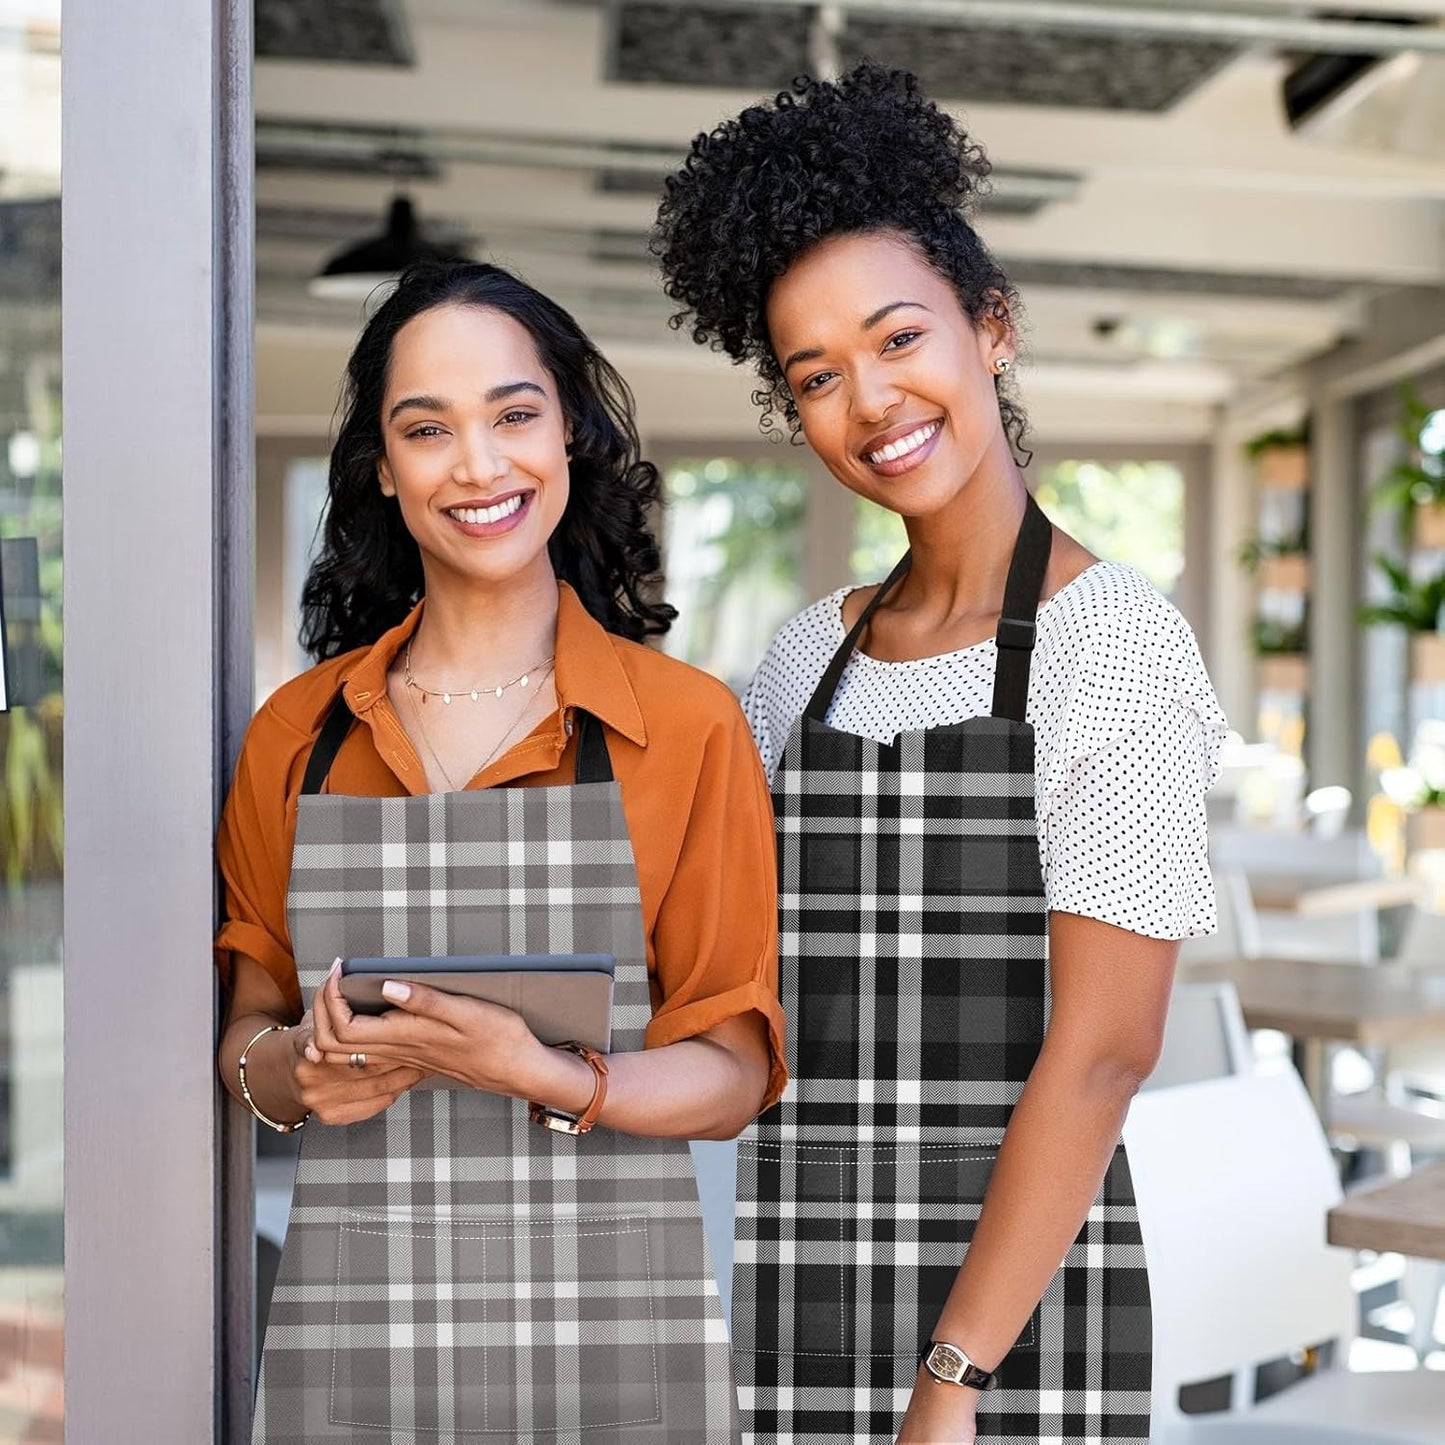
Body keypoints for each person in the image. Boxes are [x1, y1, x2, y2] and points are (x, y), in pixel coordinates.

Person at [654, 63, 1228, 1445]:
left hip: (1014, 1318)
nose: (871, 399)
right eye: (817, 376)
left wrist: (948, 1383)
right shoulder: (803, 658)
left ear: (992, 328)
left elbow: (1103, 1052)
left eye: (900, 337)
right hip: (803, 1275)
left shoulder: (1117, 648)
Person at [214, 259, 786, 1444]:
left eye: (514, 415)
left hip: (619, 1347)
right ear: (385, 466)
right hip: (352, 1341)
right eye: (429, 429)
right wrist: (289, 1073)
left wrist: (546, 1072)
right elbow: (248, 1025)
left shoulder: (682, 727)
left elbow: (733, 1067)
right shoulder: (297, 734)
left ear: (568, 431)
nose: (478, 465)